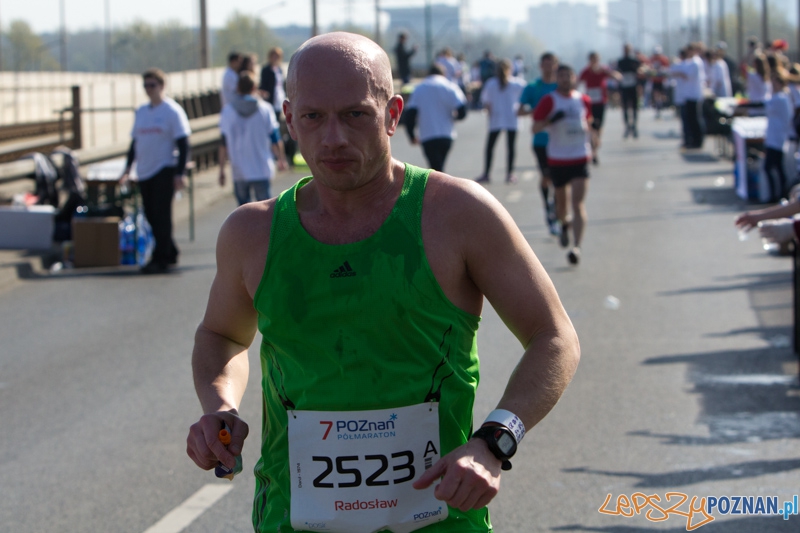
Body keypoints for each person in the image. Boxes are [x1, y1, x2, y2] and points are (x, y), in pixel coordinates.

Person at [186, 31, 580, 533]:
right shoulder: (252, 232)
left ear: (393, 114)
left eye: (355, 114)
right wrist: (219, 406)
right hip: (292, 519)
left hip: (439, 521)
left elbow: (554, 337)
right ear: (288, 119)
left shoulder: (456, 214)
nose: (333, 139)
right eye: (313, 117)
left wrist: (495, 441)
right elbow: (221, 335)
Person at [121, 68, 191, 274]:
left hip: (164, 168)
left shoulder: (172, 111)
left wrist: (180, 173)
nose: (149, 89)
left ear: (162, 86)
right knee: (150, 214)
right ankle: (170, 250)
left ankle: (160, 257)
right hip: (144, 170)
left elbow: (184, 143)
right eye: (146, 86)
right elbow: (134, 143)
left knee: (161, 214)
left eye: (152, 85)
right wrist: (127, 169)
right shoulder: (142, 112)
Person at [532, 64, 592, 266]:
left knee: (578, 203)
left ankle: (577, 247)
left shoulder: (583, 100)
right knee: (562, 205)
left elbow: (589, 122)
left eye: (569, 75)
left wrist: (594, 133)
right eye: (562, 76)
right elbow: (535, 127)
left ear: (574, 78)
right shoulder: (549, 100)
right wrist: (550, 120)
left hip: (580, 157)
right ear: (557, 79)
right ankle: (564, 224)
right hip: (558, 159)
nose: (566, 79)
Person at [218, 72, 288, 205]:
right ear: (254, 88)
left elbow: (223, 143)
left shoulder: (227, 111)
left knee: (243, 213)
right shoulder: (265, 109)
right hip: (261, 167)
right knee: (265, 213)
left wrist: (221, 170)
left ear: (238, 88)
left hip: (239, 170)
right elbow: (275, 138)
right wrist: (281, 158)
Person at [519, 52, 559, 234]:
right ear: (540, 66)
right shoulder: (533, 87)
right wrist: (535, 111)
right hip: (541, 140)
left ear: (556, 66)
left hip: (561, 141)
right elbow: (520, 111)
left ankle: (556, 210)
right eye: (545, 64)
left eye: (551, 64)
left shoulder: (561, 87)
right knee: (547, 177)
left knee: (559, 180)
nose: (548, 67)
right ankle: (548, 206)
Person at [403, 63, 468, 171]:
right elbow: (462, 110)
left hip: (427, 135)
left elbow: (410, 114)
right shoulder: (450, 86)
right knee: (439, 167)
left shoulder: (419, 89)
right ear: (443, 73)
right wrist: (454, 118)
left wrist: (411, 135)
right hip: (447, 133)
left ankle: (441, 187)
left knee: (435, 167)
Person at [475, 59, 526, 184]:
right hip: (512, 119)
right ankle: (510, 174)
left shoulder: (491, 83)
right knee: (511, 147)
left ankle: (487, 173)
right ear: (511, 69)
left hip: (496, 119)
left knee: (490, 147)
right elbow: (525, 98)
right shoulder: (517, 83)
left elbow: (486, 103)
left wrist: (490, 114)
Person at [578, 51, 620, 165]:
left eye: (596, 59)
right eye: (592, 59)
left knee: (599, 126)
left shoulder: (603, 70)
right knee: (591, 126)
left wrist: (611, 74)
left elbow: (617, 76)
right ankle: (594, 151)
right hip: (589, 103)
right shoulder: (586, 71)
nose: (594, 62)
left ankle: (596, 143)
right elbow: (577, 81)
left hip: (601, 102)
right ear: (589, 60)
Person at [763, 68, 793, 201]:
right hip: (773, 136)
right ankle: (779, 193)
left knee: (772, 167)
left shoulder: (781, 98)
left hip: (778, 137)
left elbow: (787, 117)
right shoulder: (776, 97)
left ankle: (780, 193)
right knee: (776, 167)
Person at [617, 43, 643, 138]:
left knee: (635, 107)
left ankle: (634, 125)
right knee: (625, 107)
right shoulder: (620, 61)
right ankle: (627, 126)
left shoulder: (635, 61)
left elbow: (640, 71)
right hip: (624, 86)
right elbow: (617, 72)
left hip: (633, 86)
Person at [649, 46, 671, 118]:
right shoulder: (652, 59)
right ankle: (658, 108)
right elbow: (650, 67)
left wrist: (662, 70)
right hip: (655, 80)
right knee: (656, 95)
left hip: (662, 80)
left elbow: (667, 68)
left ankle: (661, 106)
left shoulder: (664, 59)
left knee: (662, 95)